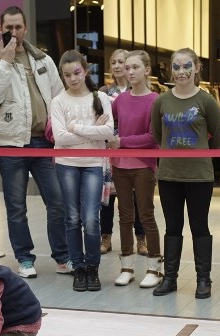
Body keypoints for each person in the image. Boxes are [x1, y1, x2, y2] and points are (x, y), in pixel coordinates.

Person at [0, 5, 71, 279]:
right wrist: (5, 62)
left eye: (19, 27)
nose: (14, 33)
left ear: (26, 28)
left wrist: (59, 131)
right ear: (0, 29)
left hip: (43, 142)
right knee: (16, 206)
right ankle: (24, 258)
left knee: (57, 202)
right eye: (9, 28)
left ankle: (63, 257)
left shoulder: (43, 60)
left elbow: (58, 97)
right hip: (10, 144)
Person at [150, 48, 220, 300]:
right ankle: (170, 277)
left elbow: (218, 138)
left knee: (199, 227)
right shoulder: (161, 101)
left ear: (197, 68)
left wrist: (199, 155)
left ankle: (204, 279)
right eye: (177, 67)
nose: (181, 72)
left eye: (186, 66)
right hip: (169, 176)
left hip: (199, 177)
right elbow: (159, 136)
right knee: (172, 227)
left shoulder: (206, 101)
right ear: (171, 70)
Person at [50, 50, 114, 292]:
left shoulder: (100, 98)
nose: (73, 78)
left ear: (85, 71)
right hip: (66, 163)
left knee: (91, 218)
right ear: (62, 77)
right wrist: (90, 131)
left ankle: (92, 267)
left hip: (94, 164)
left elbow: (108, 132)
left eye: (77, 72)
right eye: (67, 75)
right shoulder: (58, 102)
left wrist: (75, 127)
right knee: (72, 217)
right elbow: (59, 137)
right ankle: (78, 267)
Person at [107, 50, 163, 289]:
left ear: (147, 70)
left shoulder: (155, 100)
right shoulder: (119, 100)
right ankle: (127, 266)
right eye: (127, 68)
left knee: (146, 214)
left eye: (135, 67)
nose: (129, 72)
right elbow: (111, 124)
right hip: (120, 165)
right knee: (124, 216)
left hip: (143, 166)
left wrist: (123, 142)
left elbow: (152, 137)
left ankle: (154, 267)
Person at [98, 49, 147, 257]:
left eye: (122, 62)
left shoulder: (139, 89)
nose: (118, 66)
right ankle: (106, 236)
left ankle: (141, 239)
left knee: (136, 197)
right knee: (107, 195)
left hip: (133, 148)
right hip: (109, 148)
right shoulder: (103, 92)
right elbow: (99, 118)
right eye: (114, 62)